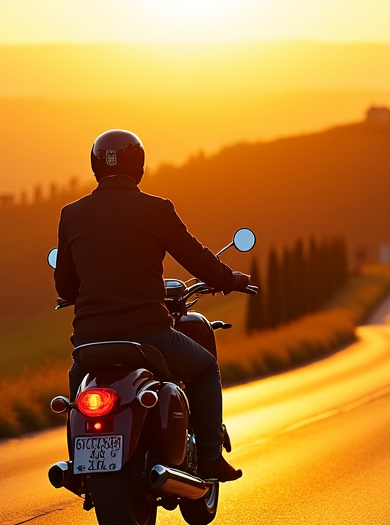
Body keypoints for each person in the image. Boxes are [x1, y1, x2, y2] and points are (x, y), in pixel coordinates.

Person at [54, 129, 250, 482]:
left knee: (78, 383)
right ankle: (209, 457)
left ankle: (81, 465)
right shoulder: (156, 209)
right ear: (139, 167)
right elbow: (197, 259)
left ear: (95, 167)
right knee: (205, 368)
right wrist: (230, 279)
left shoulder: (72, 214)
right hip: (149, 336)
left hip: (90, 342)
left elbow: (65, 286)